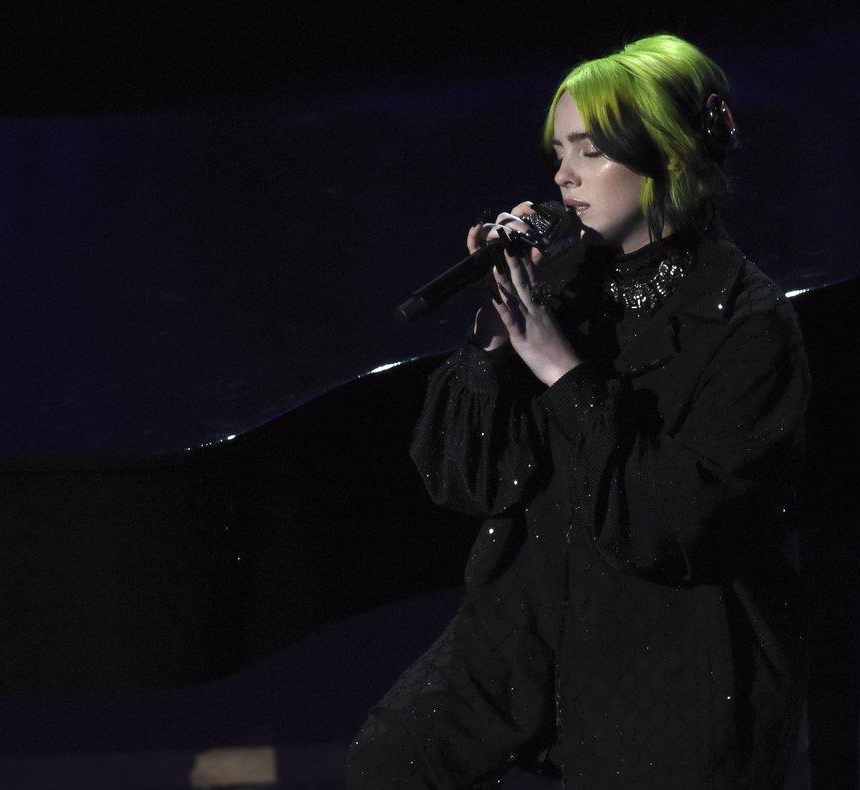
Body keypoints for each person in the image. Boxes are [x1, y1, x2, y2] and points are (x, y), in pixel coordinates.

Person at [347, 32, 812, 789]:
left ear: (667, 155)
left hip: (667, 646)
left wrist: (564, 372)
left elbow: (663, 527)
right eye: (560, 152)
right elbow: (459, 479)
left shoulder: (748, 328)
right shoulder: (561, 283)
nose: (562, 177)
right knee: (389, 763)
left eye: (588, 151)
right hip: (530, 622)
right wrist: (494, 342)